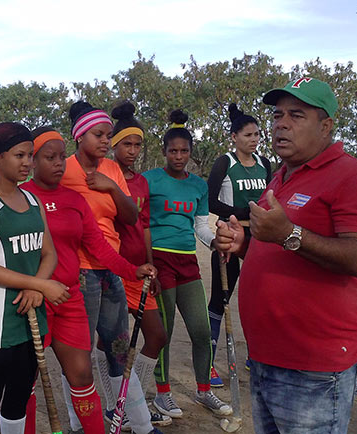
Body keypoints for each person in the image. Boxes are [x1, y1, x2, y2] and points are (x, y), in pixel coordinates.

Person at [215, 77, 357, 433]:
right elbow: (275, 247)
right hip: (265, 359)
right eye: (278, 115)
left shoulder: (354, 177)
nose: (281, 123)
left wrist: (288, 233)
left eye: (296, 115)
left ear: (326, 126)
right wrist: (242, 243)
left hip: (314, 367)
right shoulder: (280, 177)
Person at [21, 126, 160, 434]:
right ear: (32, 160)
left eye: (60, 157)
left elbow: (98, 246)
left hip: (70, 299)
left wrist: (131, 269)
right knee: (26, 382)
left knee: (82, 375)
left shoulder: (74, 199)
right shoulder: (22, 198)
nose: (58, 163)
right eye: (49, 157)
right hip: (33, 302)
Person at [61, 101, 163, 434]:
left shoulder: (112, 170)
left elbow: (131, 218)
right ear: (79, 137)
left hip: (112, 271)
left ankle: (142, 426)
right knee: (78, 355)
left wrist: (113, 188)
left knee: (119, 349)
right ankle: (78, 424)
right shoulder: (63, 170)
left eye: (108, 135)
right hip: (80, 272)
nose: (106, 141)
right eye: (98, 134)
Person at [0, 122, 70, 434]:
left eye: (30, 155)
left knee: (18, 400)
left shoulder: (33, 201)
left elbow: (48, 253)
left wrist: (36, 289)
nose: (27, 162)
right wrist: (39, 285)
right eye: (19, 155)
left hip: (29, 317)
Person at [143, 110, 232, 418]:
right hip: (159, 260)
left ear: (191, 153)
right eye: (173, 151)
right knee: (163, 333)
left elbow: (201, 226)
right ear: (164, 152)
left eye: (184, 151)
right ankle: (163, 394)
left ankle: (204, 390)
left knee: (201, 329)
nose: (178, 156)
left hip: (187, 263)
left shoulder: (198, 186)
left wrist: (215, 241)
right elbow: (137, 222)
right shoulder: (149, 179)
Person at [206, 103, 272, 385]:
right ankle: (207, 363)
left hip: (260, 239)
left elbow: (271, 197)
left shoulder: (265, 164)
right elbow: (211, 201)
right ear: (234, 137)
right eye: (248, 135)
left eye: (257, 134)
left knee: (259, 299)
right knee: (221, 300)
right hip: (230, 237)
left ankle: (256, 356)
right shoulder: (225, 163)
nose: (254, 139)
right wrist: (245, 213)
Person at [110, 102, 168, 399]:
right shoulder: (102, 180)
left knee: (157, 336)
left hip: (140, 271)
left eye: (137, 144)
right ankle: (114, 401)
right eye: (126, 144)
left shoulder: (142, 182)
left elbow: (144, 227)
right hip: (114, 271)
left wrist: (151, 265)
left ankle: (137, 397)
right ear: (113, 144)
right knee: (114, 343)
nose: (132, 150)